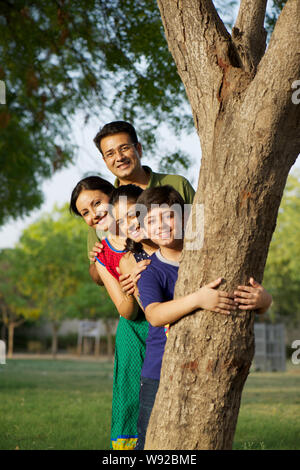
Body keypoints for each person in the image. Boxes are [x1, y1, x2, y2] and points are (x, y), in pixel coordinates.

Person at [134, 185, 273, 450]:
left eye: (168, 216)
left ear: (186, 217)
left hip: (206, 366)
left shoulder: (214, 260)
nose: (161, 225)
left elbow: (247, 297)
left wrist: (264, 301)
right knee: (150, 439)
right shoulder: (151, 271)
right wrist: (197, 299)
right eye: (151, 220)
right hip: (158, 370)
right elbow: (154, 315)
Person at [70, 177, 147, 450]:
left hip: (165, 324)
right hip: (134, 330)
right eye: (85, 213)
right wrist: (127, 278)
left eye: (97, 204)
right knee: (129, 394)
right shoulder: (103, 253)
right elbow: (126, 309)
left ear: (114, 197)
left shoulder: (148, 230)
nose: (93, 215)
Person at [88, 120, 195, 286]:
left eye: (124, 148)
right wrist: (119, 268)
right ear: (105, 160)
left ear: (138, 149)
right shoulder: (105, 206)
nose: (119, 157)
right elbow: (96, 273)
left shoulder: (177, 184)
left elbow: (201, 234)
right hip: (145, 302)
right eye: (110, 154)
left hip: (191, 282)